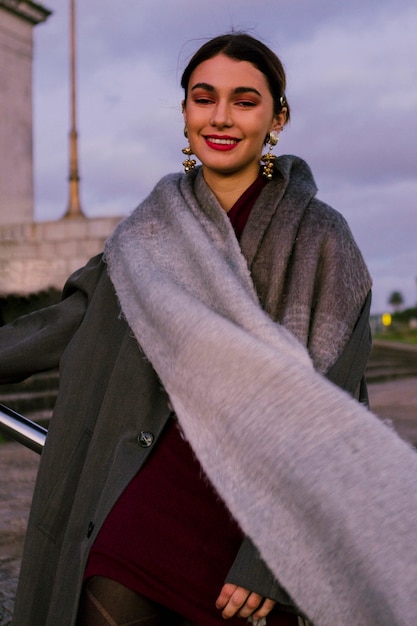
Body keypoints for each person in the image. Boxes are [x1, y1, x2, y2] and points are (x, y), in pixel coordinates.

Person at [2, 32, 417, 626]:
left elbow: (335, 403)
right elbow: (65, 321)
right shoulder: (147, 232)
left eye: (244, 101)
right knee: (104, 591)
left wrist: (271, 561)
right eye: (204, 98)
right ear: (185, 112)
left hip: (255, 514)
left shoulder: (323, 239)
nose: (221, 117)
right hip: (145, 490)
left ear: (278, 117)